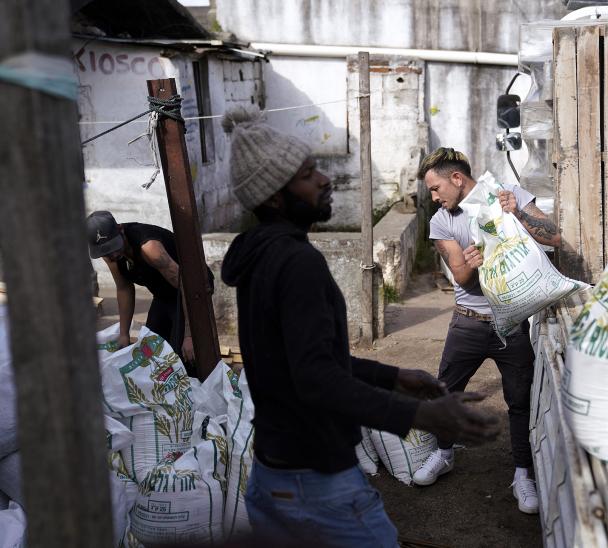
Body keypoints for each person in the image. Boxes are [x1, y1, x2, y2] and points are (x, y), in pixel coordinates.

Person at [219, 107, 500, 547]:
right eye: (309, 174)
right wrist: (420, 415)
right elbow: (316, 379)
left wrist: (396, 377)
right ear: (275, 196)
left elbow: (309, 360)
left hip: (273, 473)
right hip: (318, 482)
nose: (325, 180)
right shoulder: (296, 263)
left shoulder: (258, 256)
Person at [413, 147, 561, 514]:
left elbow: (553, 237)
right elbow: (461, 276)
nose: (434, 197)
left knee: (519, 401)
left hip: (509, 322)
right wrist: (473, 260)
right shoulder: (442, 220)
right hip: (467, 320)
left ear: (457, 179)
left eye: (435, 189)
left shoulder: (507, 194)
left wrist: (519, 212)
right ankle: (444, 453)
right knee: (446, 391)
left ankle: (522, 475)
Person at [86, 211, 212, 372]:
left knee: (181, 354)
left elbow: (186, 287)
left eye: (114, 247)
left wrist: (189, 335)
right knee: (150, 350)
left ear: (121, 229)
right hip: (163, 295)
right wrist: (124, 333)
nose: (113, 254)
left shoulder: (150, 248)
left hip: (192, 290)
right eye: (106, 251)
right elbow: (124, 288)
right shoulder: (110, 256)